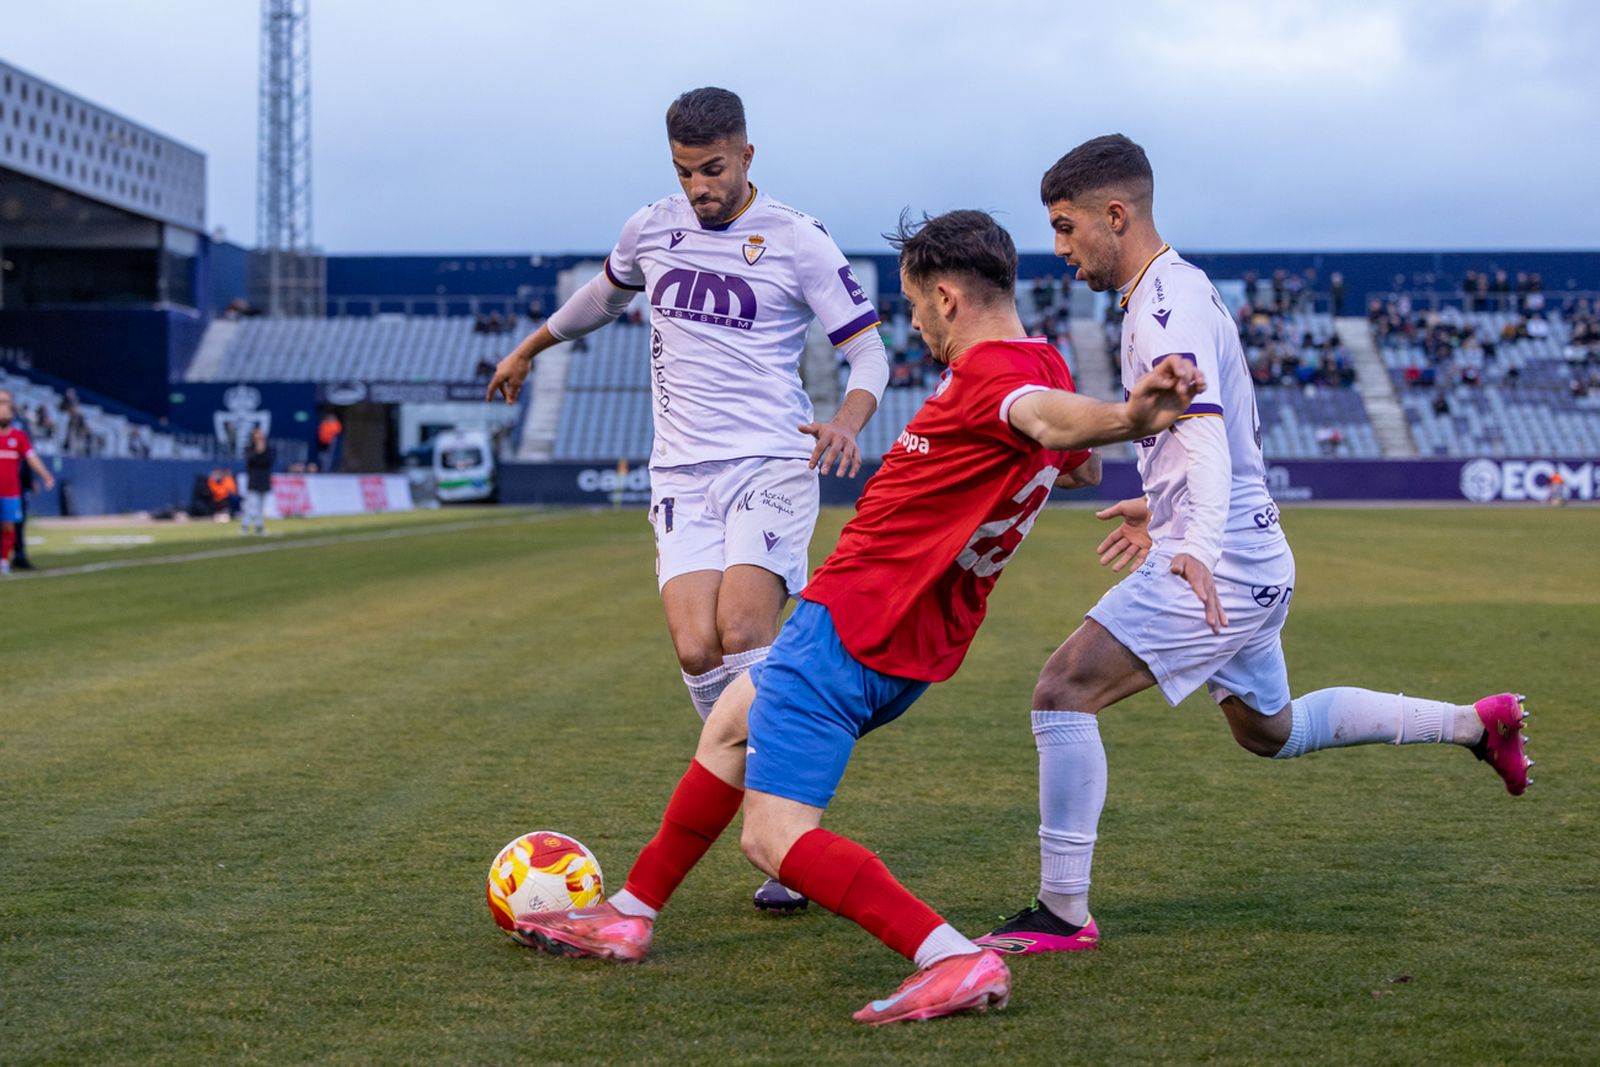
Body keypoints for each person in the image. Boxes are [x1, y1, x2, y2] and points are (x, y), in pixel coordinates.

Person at [509, 209, 1205, 1024]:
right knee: (732, 721)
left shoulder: (997, 382)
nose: (911, 322)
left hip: (848, 625)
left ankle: (948, 956)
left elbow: (1047, 422)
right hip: (908, 645)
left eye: (912, 305)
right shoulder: (1037, 359)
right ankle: (630, 912)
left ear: (947, 297)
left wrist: (1129, 417)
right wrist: (1104, 447)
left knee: (771, 837)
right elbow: (1071, 459)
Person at [974, 135, 1531, 957]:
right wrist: (1160, 508)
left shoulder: (1165, 302)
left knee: (1061, 690)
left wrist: (1191, 539)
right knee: (1270, 732)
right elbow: (1197, 436)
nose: (1058, 250)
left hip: (1222, 562)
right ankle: (1474, 724)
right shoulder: (1170, 292)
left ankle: (1062, 910)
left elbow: (1202, 428)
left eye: (1065, 227)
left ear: (1114, 215)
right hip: (1249, 554)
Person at [487, 87, 892, 912]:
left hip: (771, 462)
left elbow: (870, 354)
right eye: (685, 171)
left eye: (713, 169)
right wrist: (529, 347)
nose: (700, 187)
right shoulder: (651, 227)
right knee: (696, 647)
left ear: (747, 156)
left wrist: (849, 421)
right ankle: (754, 794)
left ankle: (784, 835)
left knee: (744, 628)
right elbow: (602, 296)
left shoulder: (797, 238)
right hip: (680, 474)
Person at [0, 389, 55, 575]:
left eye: (6, 403)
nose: (3, 408)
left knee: (10, 525)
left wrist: (45, 475)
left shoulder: (19, 436)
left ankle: (5, 560)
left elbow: (31, 458)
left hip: (11, 491)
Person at [242, 428, 275, 535]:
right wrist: (258, 450)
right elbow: (251, 461)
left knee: (261, 506)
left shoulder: (269, 450)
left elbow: (267, 462)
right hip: (254, 480)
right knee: (251, 505)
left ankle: (259, 527)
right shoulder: (249, 449)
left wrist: (262, 450)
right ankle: (245, 527)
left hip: (264, 480)